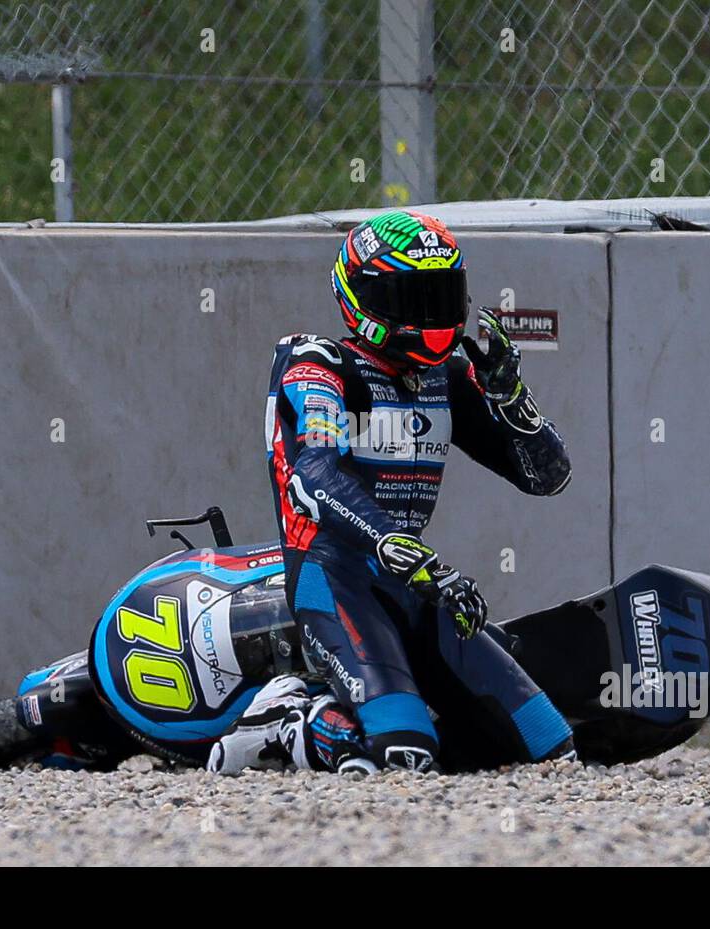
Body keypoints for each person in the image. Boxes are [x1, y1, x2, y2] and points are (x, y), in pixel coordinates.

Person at [207, 210, 574, 775]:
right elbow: (313, 474)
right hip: (333, 577)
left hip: (416, 584)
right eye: (415, 296)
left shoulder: (449, 375)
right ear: (366, 298)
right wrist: (393, 543)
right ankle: (286, 723)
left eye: (442, 294)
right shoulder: (316, 363)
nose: (433, 314)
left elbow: (546, 477)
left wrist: (512, 400)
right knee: (406, 755)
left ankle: (352, 709)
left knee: (550, 747)